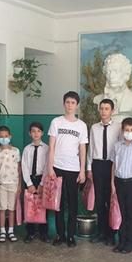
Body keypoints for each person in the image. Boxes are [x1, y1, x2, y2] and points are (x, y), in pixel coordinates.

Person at [47, 91, 88, 247]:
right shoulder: (56, 122)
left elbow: (83, 149)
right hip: (57, 168)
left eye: (73, 103)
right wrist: (50, 168)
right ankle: (60, 235)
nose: (70, 105)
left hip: (73, 169)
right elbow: (51, 146)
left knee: (72, 204)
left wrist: (82, 170)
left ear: (77, 105)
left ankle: (71, 236)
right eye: (68, 102)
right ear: (64, 104)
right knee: (58, 203)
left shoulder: (81, 125)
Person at [87, 99, 122, 245]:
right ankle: (101, 232)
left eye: (106, 108)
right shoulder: (94, 127)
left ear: (112, 111)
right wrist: (89, 168)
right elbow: (91, 148)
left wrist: (118, 168)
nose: (103, 111)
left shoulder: (118, 127)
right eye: (101, 108)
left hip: (112, 165)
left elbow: (121, 148)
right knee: (100, 200)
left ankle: (111, 234)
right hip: (98, 164)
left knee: (111, 199)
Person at [110, 117, 132, 254]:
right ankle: (121, 241)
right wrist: (112, 184)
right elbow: (114, 166)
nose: (129, 132)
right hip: (119, 182)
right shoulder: (117, 146)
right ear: (122, 131)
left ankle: (130, 243)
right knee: (121, 214)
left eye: (131, 130)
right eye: (126, 130)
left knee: (131, 214)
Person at [92, 53, 132, 120]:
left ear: (126, 74)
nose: (111, 76)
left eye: (116, 71)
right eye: (108, 72)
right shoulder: (98, 99)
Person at [22, 122, 50, 243]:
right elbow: (24, 167)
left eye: (38, 131)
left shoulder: (47, 149)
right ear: (30, 133)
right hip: (30, 180)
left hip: (42, 179)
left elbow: (47, 167)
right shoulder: (27, 149)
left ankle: (44, 233)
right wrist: (29, 184)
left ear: (42, 133)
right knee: (30, 206)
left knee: (43, 206)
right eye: (33, 131)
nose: (36, 134)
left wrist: (42, 184)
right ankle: (30, 232)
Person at [0, 126, 22, 243]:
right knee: (2, 209)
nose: (4, 138)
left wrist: (19, 185)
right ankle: (2, 231)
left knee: (11, 209)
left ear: (10, 136)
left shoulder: (16, 151)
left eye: (6, 136)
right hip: (1, 184)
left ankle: (11, 230)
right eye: (1, 136)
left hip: (13, 183)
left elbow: (19, 169)